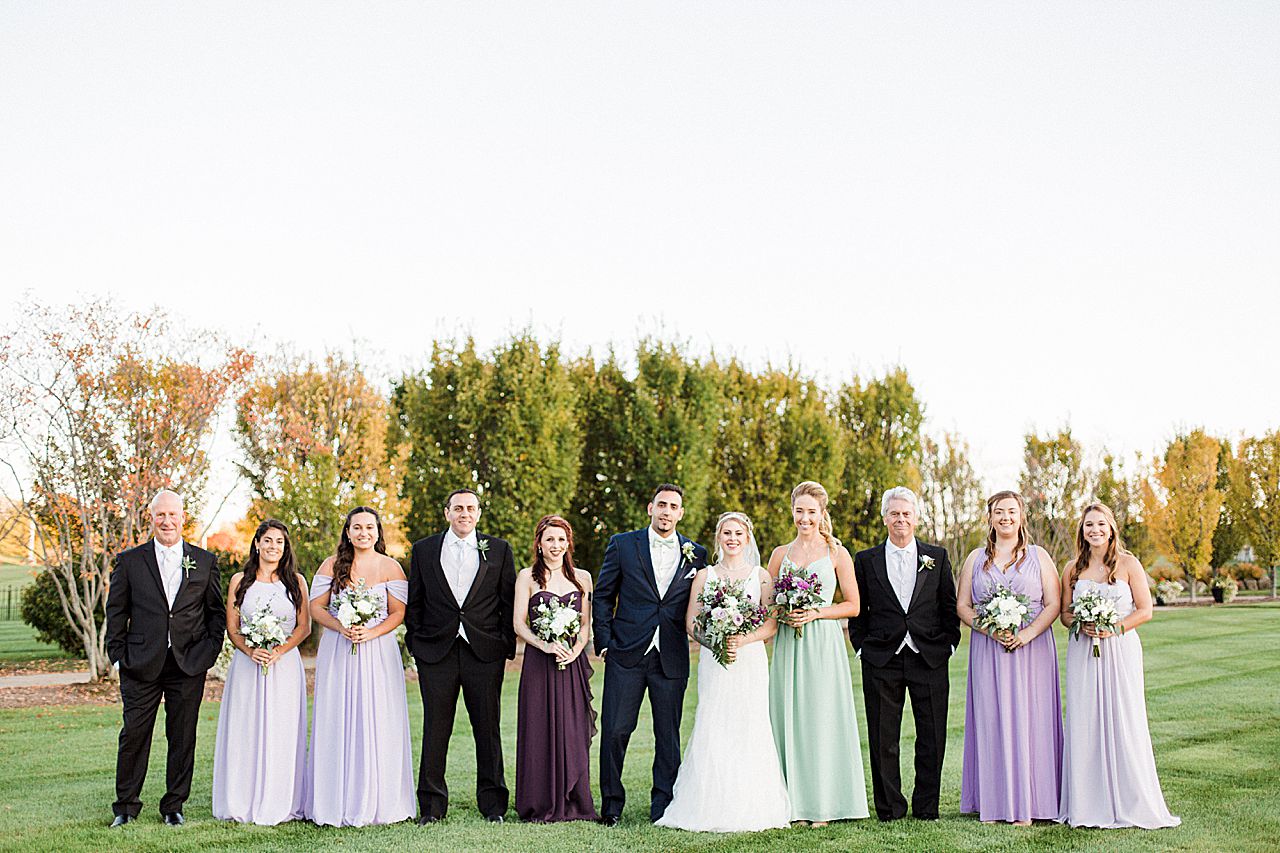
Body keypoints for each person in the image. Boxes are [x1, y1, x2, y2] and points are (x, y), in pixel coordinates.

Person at [656, 511, 792, 832]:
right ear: (719, 537)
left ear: (747, 538)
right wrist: (716, 642)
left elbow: (771, 625)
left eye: (738, 534)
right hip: (715, 662)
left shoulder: (760, 576)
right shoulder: (705, 576)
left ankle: (752, 803)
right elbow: (691, 622)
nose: (732, 539)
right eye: (727, 533)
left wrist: (741, 640)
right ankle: (709, 804)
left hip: (750, 661)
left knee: (750, 724)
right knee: (714, 722)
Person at [105, 489, 224, 828]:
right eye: (161, 515)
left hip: (188, 662)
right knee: (134, 734)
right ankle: (125, 807)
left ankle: (174, 805)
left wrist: (208, 652)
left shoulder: (204, 561)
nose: (167, 521)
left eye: (173, 515)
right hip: (140, 662)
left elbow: (215, 613)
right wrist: (118, 656)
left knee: (182, 736)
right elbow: (116, 611)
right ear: (152, 518)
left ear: (183, 518)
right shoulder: (130, 561)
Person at [1058, 502, 1180, 829]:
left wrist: (1114, 628)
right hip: (1084, 651)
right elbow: (1065, 614)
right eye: (1089, 525)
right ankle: (1087, 802)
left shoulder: (1128, 564)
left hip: (1120, 650)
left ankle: (1131, 800)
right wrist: (1081, 623)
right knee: (1085, 719)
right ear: (1082, 531)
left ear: (1111, 528)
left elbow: (1145, 610)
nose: (1095, 530)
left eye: (1101, 524)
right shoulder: (1071, 568)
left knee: (1125, 717)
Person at [594, 483, 708, 825]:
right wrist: (604, 641)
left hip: (671, 655)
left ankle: (663, 805)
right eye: (662, 505)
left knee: (668, 735)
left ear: (681, 513)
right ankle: (611, 806)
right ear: (650, 508)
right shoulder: (623, 544)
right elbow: (603, 596)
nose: (666, 511)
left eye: (673, 506)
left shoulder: (696, 553)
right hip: (626, 652)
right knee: (616, 730)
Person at [405, 488, 517, 823]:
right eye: (458, 508)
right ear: (447, 513)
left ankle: (493, 806)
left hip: (484, 653)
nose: (464, 513)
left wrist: (504, 645)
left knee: (488, 728)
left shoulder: (499, 549)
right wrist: (417, 644)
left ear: (478, 513)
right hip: (436, 652)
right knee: (435, 729)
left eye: (470, 508)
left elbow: (508, 601)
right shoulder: (424, 549)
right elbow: (415, 601)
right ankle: (432, 807)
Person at [850, 486, 960, 823]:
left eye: (906, 513)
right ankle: (890, 808)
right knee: (883, 737)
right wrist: (862, 648)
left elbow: (949, 606)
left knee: (932, 736)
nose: (901, 519)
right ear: (885, 518)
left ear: (915, 517)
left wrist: (949, 645)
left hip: (929, 656)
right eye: (895, 513)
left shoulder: (937, 556)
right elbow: (859, 610)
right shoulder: (865, 560)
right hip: (881, 658)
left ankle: (927, 807)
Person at [956, 490, 1063, 824]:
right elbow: (962, 606)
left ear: (1021, 516)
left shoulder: (1039, 556)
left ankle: (1032, 804)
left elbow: (1054, 604)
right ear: (990, 517)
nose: (1005, 517)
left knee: (1033, 720)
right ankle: (995, 802)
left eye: (1011, 511)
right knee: (991, 718)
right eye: (999, 511)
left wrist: (1026, 635)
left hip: (1032, 650)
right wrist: (989, 630)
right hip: (989, 650)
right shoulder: (975, 559)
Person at [305, 506, 414, 826]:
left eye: (369, 527)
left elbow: (398, 613)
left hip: (378, 651)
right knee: (337, 714)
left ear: (378, 532)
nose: (363, 533)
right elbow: (315, 608)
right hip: (339, 649)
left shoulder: (391, 567)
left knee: (378, 715)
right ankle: (335, 799)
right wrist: (341, 627)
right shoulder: (331, 565)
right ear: (348, 532)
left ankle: (380, 799)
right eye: (357, 527)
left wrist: (371, 632)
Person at [768, 481, 869, 825]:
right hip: (789, 644)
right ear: (792, 511)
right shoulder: (780, 554)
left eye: (811, 512)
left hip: (823, 644)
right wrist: (784, 612)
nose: (805, 518)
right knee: (789, 716)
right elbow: (768, 604)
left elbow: (853, 606)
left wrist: (816, 612)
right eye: (799, 511)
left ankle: (823, 805)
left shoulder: (836, 553)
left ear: (822, 513)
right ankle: (793, 805)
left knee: (821, 719)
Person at [213, 519, 311, 825]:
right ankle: (241, 799)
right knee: (246, 728)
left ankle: (280, 799)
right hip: (248, 665)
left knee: (282, 730)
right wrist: (250, 650)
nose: (273, 547)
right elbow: (233, 628)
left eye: (279, 542)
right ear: (256, 544)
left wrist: (279, 651)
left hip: (284, 666)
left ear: (286, 547)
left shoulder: (296, 582)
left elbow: (304, 626)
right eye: (267, 540)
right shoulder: (240, 581)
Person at [512, 515, 599, 823]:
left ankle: (575, 799)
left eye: (561, 539)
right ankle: (540, 801)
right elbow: (518, 623)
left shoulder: (583, 578)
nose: (556, 545)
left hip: (572, 664)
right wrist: (545, 645)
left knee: (572, 728)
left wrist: (575, 651)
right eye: (549, 539)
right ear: (539, 543)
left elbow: (586, 625)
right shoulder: (527, 577)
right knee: (539, 728)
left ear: (568, 543)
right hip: (539, 664)